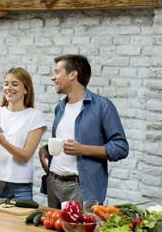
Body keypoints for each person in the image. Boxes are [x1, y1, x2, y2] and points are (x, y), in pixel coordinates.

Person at [39, 55, 129, 208]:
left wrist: (83, 149)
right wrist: (46, 149)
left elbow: (121, 148)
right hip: (53, 183)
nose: (53, 78)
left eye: (57, 72)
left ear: (73, 74)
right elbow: (64, 141)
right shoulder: (60, 107)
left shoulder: (102, 106)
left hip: (82, 188)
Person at [0, 67, 46, 200]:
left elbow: (25, 156)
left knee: (17, 221)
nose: (8, 87)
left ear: (26, 89)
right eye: (6, 83)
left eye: (14, 84)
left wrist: (2, 142)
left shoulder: (35, 116)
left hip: (19, 187)